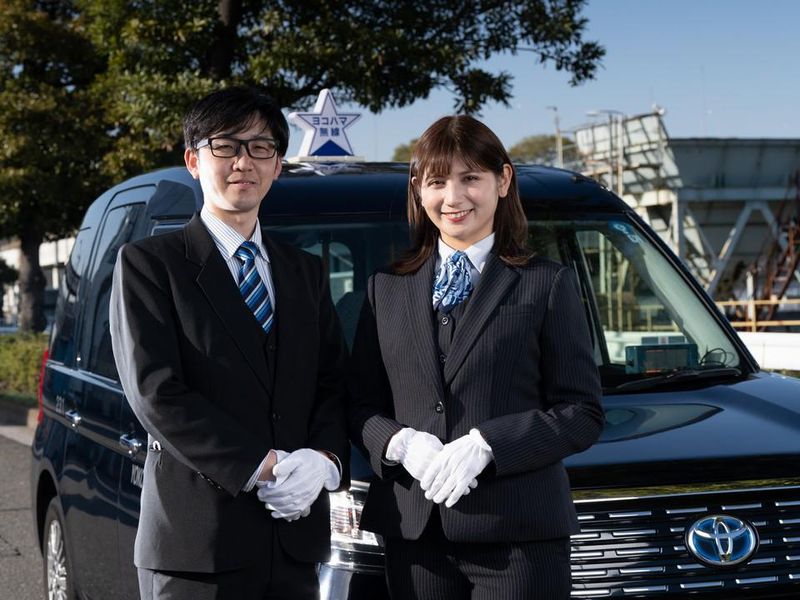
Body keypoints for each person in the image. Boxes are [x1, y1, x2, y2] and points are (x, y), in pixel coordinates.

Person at [349, 115, 604, 599]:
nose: (453, 197)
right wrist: (400, 443)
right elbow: (359, 405)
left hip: (519, 539)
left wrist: (490, 444)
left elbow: (582, 412)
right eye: (437, 182)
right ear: (418, 189)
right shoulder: (386, 288)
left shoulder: (546, 283)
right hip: (416, 537)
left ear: (502, 181)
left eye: (470, 178)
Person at [110, 86, 349, 600]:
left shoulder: (305, 272)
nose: (244, 162)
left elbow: (332, 381)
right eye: (225, 146)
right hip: (197, 548)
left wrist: (324, 459)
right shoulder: (150, 264)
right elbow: (156, 392)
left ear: (278, 165)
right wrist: (264, 466)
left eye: (261, 147)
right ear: (194, 161)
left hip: (294, 541)